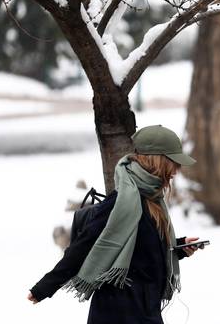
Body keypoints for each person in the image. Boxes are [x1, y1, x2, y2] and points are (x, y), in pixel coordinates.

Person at [27, 124, 204, 324]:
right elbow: (82, 247)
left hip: (145, 309)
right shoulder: (120, 203)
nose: (177, 170)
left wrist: (178, 248)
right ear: (158, 161)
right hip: (117, 312)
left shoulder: (153, 200)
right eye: (175, 163)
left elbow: (145, 252)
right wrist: (44, 288)